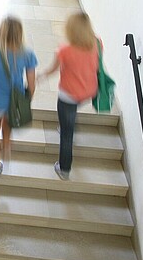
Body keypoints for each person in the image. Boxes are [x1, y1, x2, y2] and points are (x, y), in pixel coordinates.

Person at [39, 12, 99, 180]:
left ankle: (64, 169)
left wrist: (40, 75)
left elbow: (52, 70)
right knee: (71, 112)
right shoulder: (97, 42)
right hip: (88, 91)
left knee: (67, 134)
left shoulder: (64, 50)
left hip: (68, 95)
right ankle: (69, 122)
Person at [0, 16, 37, 175]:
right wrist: (26, 100)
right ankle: (6, 150)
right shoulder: (28, 54)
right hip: (13, 103)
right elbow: (32, 85)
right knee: (7, 129)